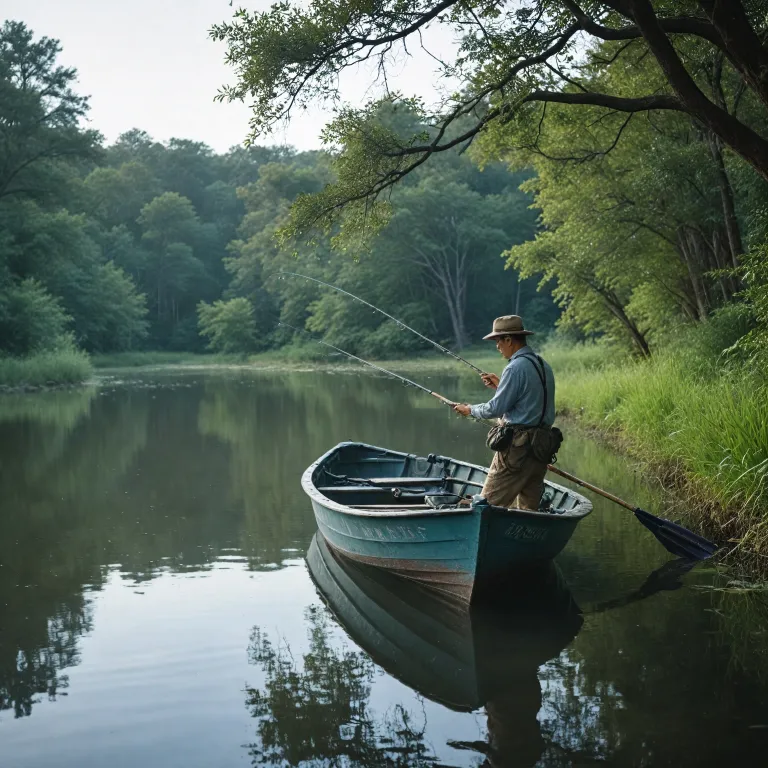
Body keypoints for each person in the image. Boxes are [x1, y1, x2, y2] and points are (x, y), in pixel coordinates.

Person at [453, 315, 555, 511]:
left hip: (517, 451)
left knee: (484, 506)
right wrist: (501, 387)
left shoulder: (514, 368)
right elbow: (530, 404)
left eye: (498, 341)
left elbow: (495, 409)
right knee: (529, 511)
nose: (497, 346)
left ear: (509, 340)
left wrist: (469, 409)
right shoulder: (543, 366)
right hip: (541, 449)